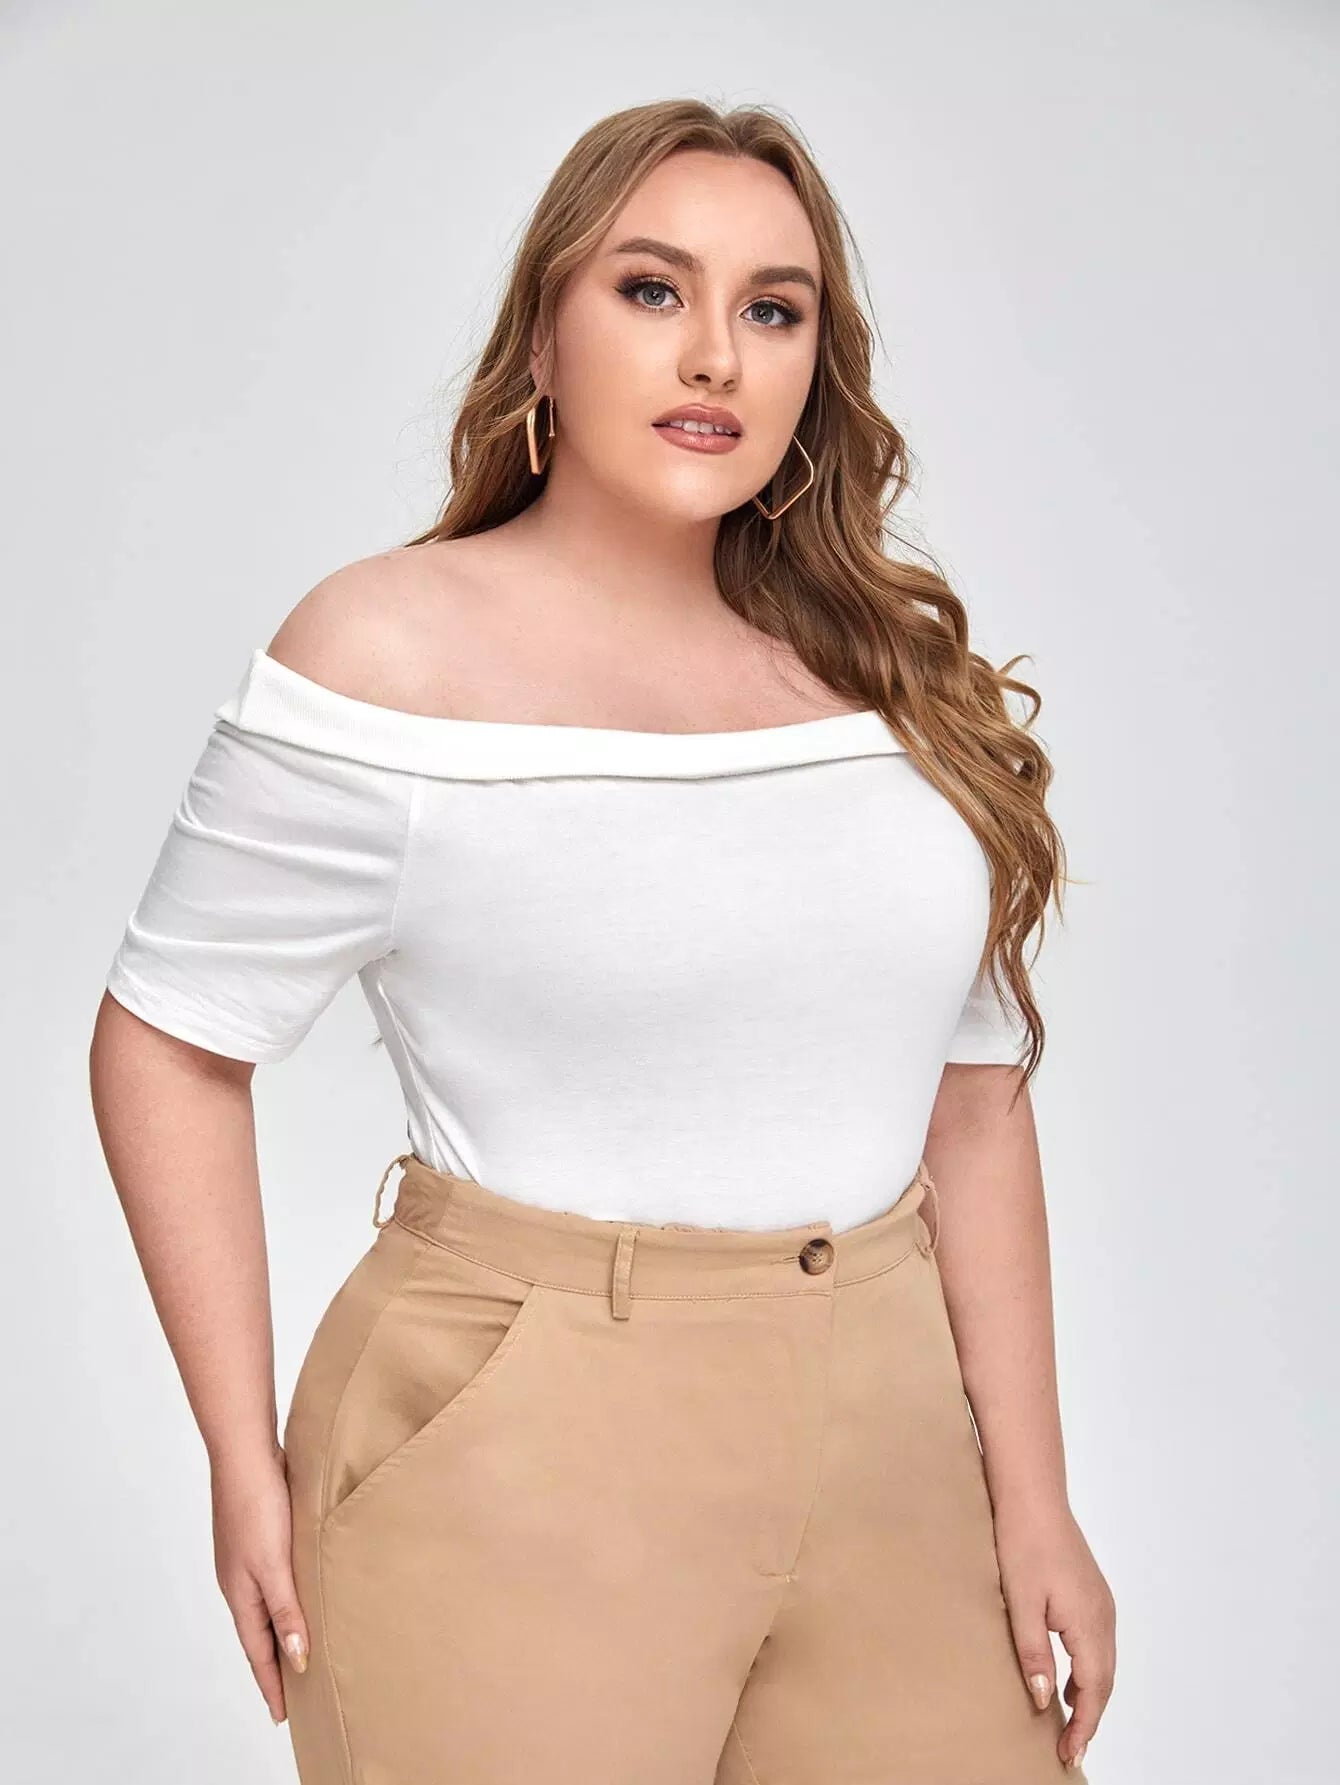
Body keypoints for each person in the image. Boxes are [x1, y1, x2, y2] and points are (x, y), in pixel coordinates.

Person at [89, 97, 1115, 1783]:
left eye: (772, 309)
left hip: (895, 1435)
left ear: (815, 368)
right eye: (652, 289)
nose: (714, 353)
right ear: (541, 342)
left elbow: (977, 1100)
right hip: (518, 1443)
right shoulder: (387, 654)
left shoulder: (889, 683)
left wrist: (1036, 1494)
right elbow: (169, 1039)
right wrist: (236, 1452)